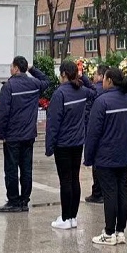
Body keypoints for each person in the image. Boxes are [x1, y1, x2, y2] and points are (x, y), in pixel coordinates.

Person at [85, 67, 127, 245]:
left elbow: (93, 133)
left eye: (105, 79)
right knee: (123, 190)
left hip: (105, 155)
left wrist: (88, 157)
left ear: (110, 81)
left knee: (110, 193)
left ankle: (108, 233)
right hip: (123, 154)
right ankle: (120, 231)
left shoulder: (102, 102)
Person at [45, 60, 93, 230]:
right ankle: (73, 217)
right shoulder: (82, 91)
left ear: (64, 74)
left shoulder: (60, 94)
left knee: (65, 180)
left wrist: (49, 146)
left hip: (63, 144)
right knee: (74, 179)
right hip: (78, 142)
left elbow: (53, 123)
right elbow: (94, 91)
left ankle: (66, 218)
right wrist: (83, 76)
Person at [0, 56, 42, 211]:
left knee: (11, 169)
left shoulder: (9, 86)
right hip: (28, 135)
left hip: (12, 136)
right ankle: (24, 201)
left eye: (11, 66)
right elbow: (46, 80)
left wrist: (2, 134)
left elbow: (3, 113)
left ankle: (14, 201)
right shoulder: (34, 84)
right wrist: (32, 70)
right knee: (27, 169)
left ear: (15, 68)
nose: (10, 69)